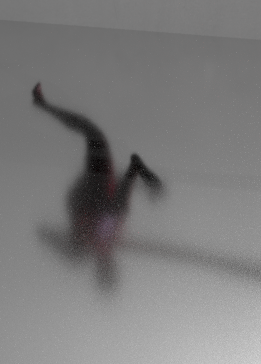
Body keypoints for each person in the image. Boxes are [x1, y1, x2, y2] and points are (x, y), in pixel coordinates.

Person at [33, 85, 165, 289]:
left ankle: (43, 105)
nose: (105, 265)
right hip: (92, 193)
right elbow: (127, 180)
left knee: (94, 135)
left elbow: (48, 235)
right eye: (107, 268)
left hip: (89, 194)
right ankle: (43, 105)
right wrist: (147, 178)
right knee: (95, 138)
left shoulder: (88, 248)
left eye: (104, 269)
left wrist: (147, 178)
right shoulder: (99, 242)